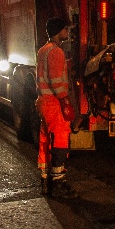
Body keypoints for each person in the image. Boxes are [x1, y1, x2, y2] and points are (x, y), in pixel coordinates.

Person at [36, 17, 77, 198]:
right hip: (54, 103)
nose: (67, 33)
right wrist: (65, 101)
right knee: (61, 139)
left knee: (45, 140)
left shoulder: (43, 50)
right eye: (65, 30)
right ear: (58, 31)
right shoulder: (56, 51)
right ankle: (58, 182)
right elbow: (56, 81)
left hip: (44, 102)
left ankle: (45, 181)